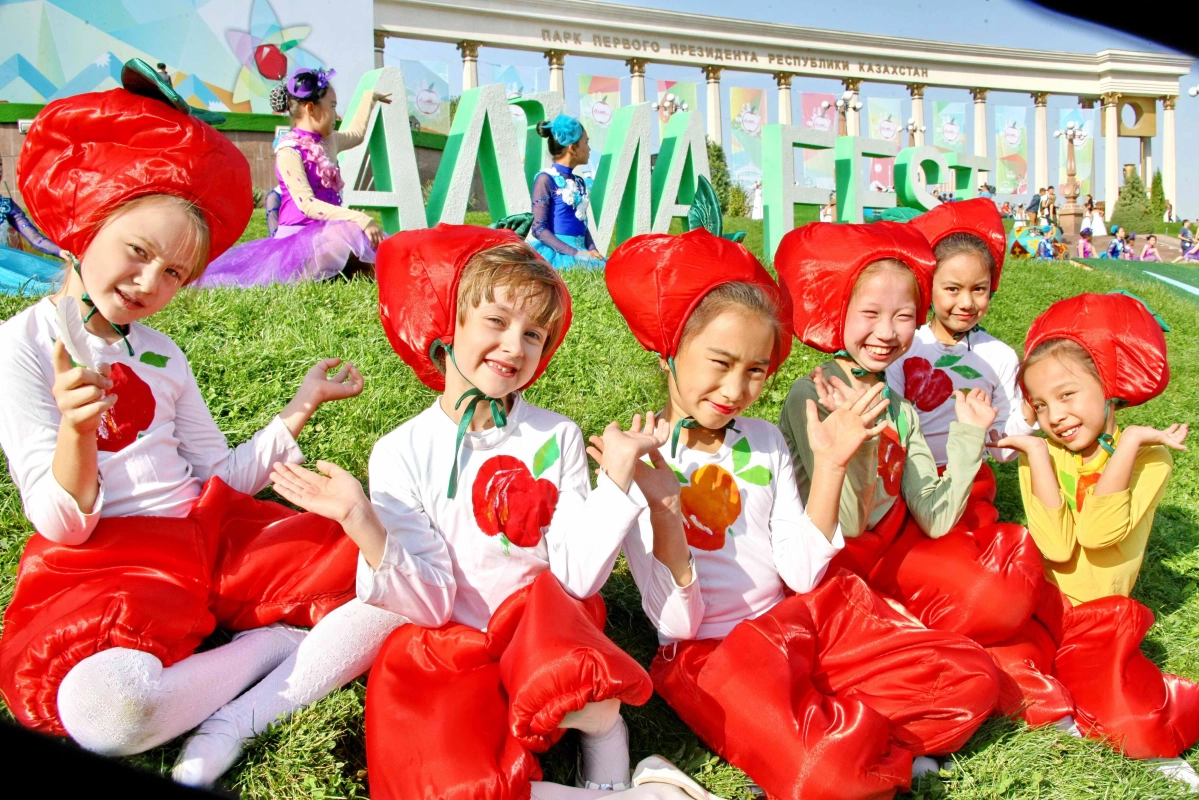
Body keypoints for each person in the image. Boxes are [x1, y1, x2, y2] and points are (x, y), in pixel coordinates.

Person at [0, 62, 397, 790]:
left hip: (209, 534)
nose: (152, 284)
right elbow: (61, 524)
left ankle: (232, 720)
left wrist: (300, 406)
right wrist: (77, 434)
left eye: (177, 273)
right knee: (105, 712)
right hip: (108, 562)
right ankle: (270, 648)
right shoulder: (22, 345)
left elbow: (216, 476)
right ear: (90, 223)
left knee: (394, 577)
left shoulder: (161, 351)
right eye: (138, 253)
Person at [272, 224, 713, 800]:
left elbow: (578, 576)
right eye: (497, 322)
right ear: (448, 324)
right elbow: (429, 604)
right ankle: (642, 794)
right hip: (451, 650)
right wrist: (361, 519)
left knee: (587, 695)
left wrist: (617, 481)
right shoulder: (402, 450)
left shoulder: (554, 435)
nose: (514, 347)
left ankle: (608, 740)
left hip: (540, 634)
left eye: (534, 334)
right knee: (445, 786)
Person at [605, 228, 998, 799]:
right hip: (714, 656)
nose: (735, 388)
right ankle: (844, 743)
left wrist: (834, 462)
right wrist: (666, 510)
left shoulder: (763, 438)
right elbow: (676, 625)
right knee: (829, 776)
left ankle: (840, 729)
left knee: (972, 680)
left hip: (799, 619)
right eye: (720, 362)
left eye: (756, 370)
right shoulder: (641, 455)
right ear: (671, 350)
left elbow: (802, 572)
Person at [993, 293, 1199, 788]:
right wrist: (1038, 458)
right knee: (993, 665)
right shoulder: (1039, 456)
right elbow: (1057, 546)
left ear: (1109, 387)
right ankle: (1057, 700)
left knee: (1126, 710)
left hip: (1099, 614)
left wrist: (1125, 446)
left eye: (1068, 395)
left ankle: (1100, 708)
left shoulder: (1150, 460)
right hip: (1041, 605)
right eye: (1040, 405)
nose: (1055, 416)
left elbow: (1097, 534)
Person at [197, 67, 389, 287]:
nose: (337, 115)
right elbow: (307, 204)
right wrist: (358, 218)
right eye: (333, 107)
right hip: (298, 240)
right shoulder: (289, 149)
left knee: (381, 253)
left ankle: (337, 271)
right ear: (311, 108)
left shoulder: (331, 141)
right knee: (349, 231)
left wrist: (369, 98)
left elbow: (356, 134)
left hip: (330, 234)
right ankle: (306, 276)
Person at [530, 114, 605, 269]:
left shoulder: (579, 182)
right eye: (586, 142)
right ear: (573, 148)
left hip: (582, 252)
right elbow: (538, 229)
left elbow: (581, 224)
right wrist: (575, 253)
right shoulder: (545, 179)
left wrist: (592, 249)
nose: (589, 149)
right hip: (559, 253)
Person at [0, 156, 65, 294]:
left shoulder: (7, 206)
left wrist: (61, 251)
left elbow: (36, 239)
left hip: (5, 265)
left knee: (56, 283)